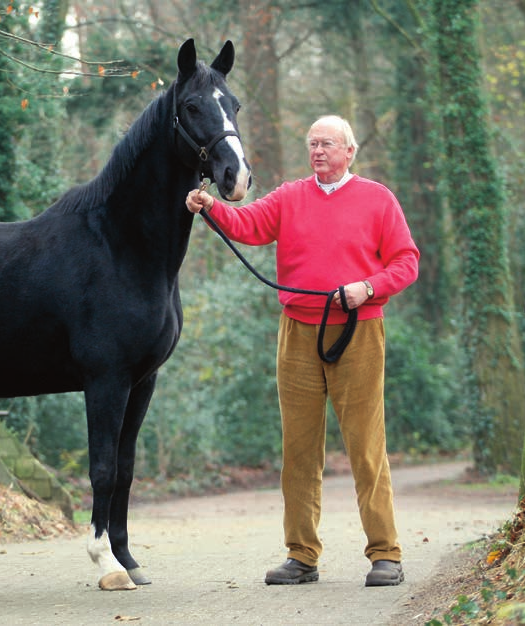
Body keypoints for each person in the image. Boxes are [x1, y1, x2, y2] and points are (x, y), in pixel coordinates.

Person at [185, 115, 419, 587]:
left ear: (349, 151)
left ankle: (385, 554)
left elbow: (406, 261)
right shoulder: (290, 196)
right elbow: (248, 224)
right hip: (297, 334)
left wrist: (367, 287)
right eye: (312, 144)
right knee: (299, 451)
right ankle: (302, 555)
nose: (318, 152)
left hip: (359, 332)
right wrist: (210, 205)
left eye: (328, 144)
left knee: (365, 447)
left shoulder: (378, 199)